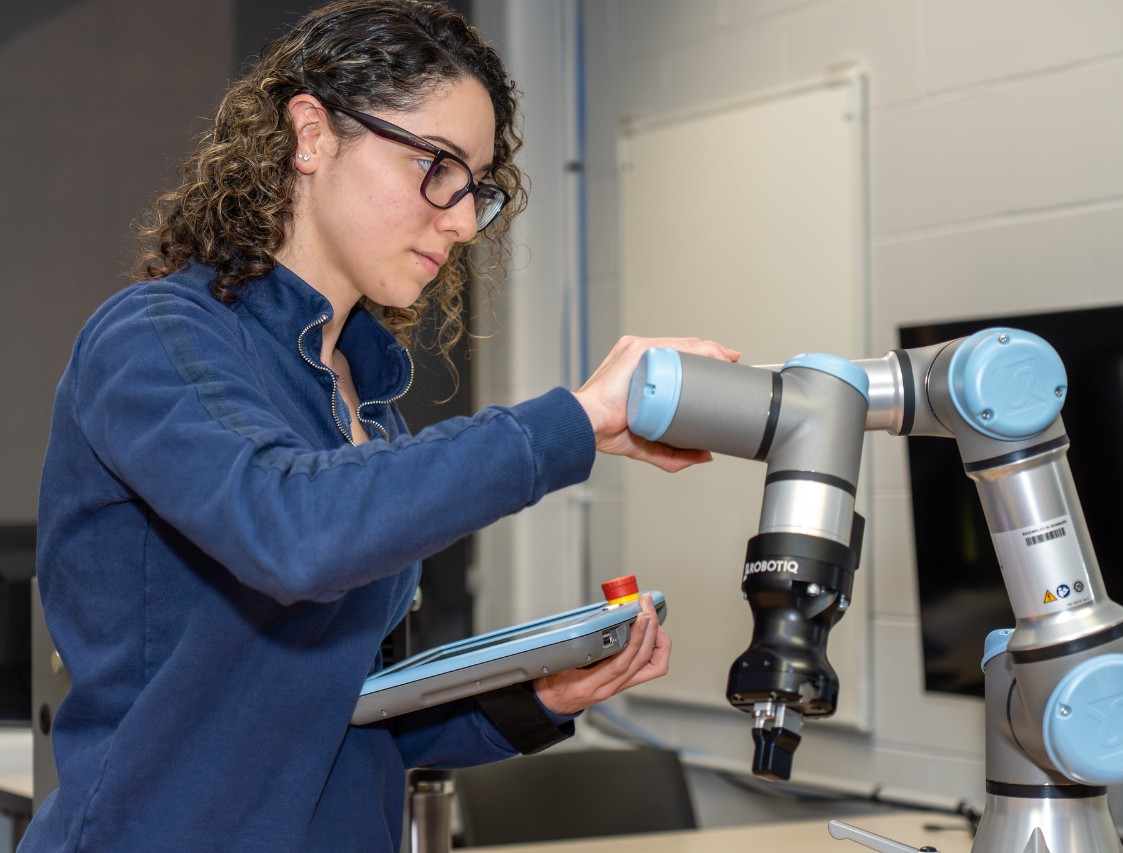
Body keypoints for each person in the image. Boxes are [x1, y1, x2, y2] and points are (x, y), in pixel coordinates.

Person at [21, 2, 737, 850]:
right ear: (313, 134)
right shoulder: (153, 339)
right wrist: (570, 421)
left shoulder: (372, 407)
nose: (465, 219)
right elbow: (290, 530)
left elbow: (350, 712)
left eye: (476, 186)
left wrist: (536, 696)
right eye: (437, 166)